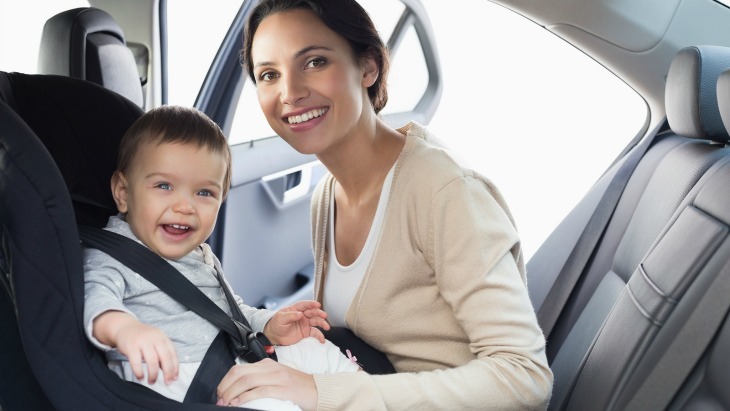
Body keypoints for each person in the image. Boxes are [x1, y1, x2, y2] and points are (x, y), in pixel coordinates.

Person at [213, 0, 554, 409]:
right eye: (269, 74)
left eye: (315, 62)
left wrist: (320, 392)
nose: (290, 92)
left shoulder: (444, 189)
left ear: (368, 67)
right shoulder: (327, 195)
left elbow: (524, 377)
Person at [82, 105, 360, 411]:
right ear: (123, 192)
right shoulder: (112, 255)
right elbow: (96, 300)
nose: (185, 206)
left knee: (315, 349)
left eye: (204, 193)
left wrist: (269, 324)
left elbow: (230, 311)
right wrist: (125, 329)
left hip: (235, 360)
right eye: (164, 186)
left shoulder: (199, 253)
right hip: (178, 378)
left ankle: (372, 399)